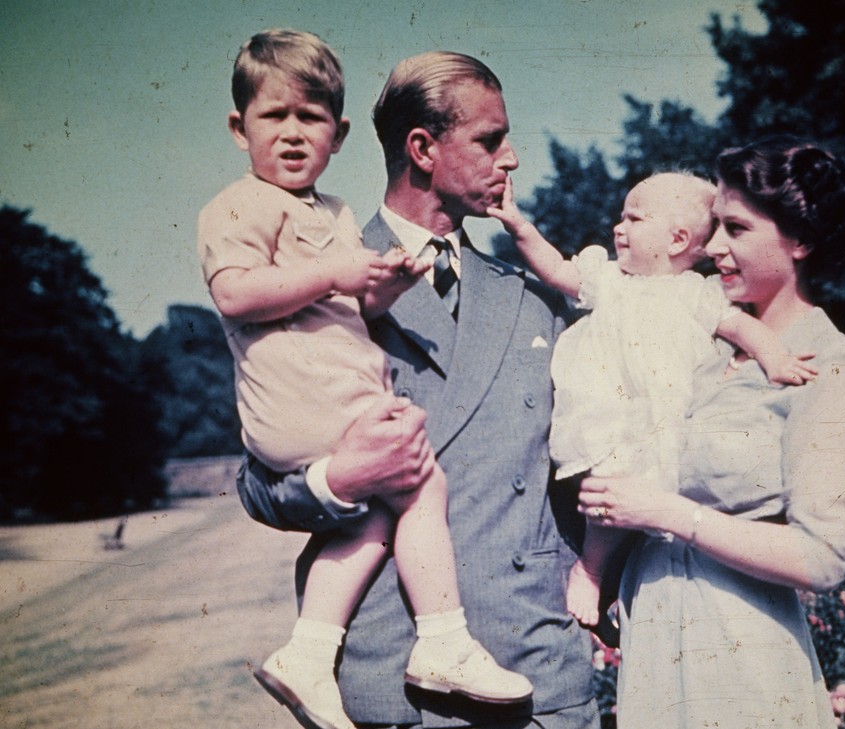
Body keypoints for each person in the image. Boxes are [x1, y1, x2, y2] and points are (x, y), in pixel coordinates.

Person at [236, 50, 601, 728]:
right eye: (491, 139)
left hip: (533, 674)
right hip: (389, 682)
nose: (512, 158)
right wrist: (341, 478)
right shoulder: (310, 284)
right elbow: (258, 481)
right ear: (423, 148)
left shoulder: (532, 299)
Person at [576, 136, 845, 727]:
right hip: (655, 651)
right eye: (714, 227)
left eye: (737, 231)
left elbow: (820, 559)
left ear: (800, 240)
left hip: (744, 664)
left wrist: (667, 513)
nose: (713, 246)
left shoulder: (833, 365)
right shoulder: (700, 352)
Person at [488, 171, 818, 627]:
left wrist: (775, 357)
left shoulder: (696, 294)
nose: (617, 228)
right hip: (609, 411)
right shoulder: (610, 281)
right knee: (611, 490)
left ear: (678, 239)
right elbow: (559, 270)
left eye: (634, 219)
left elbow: (743, 327)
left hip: (665, 418)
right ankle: (591, 568)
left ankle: (627, 588)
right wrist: (519, 227)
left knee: (656, 501)